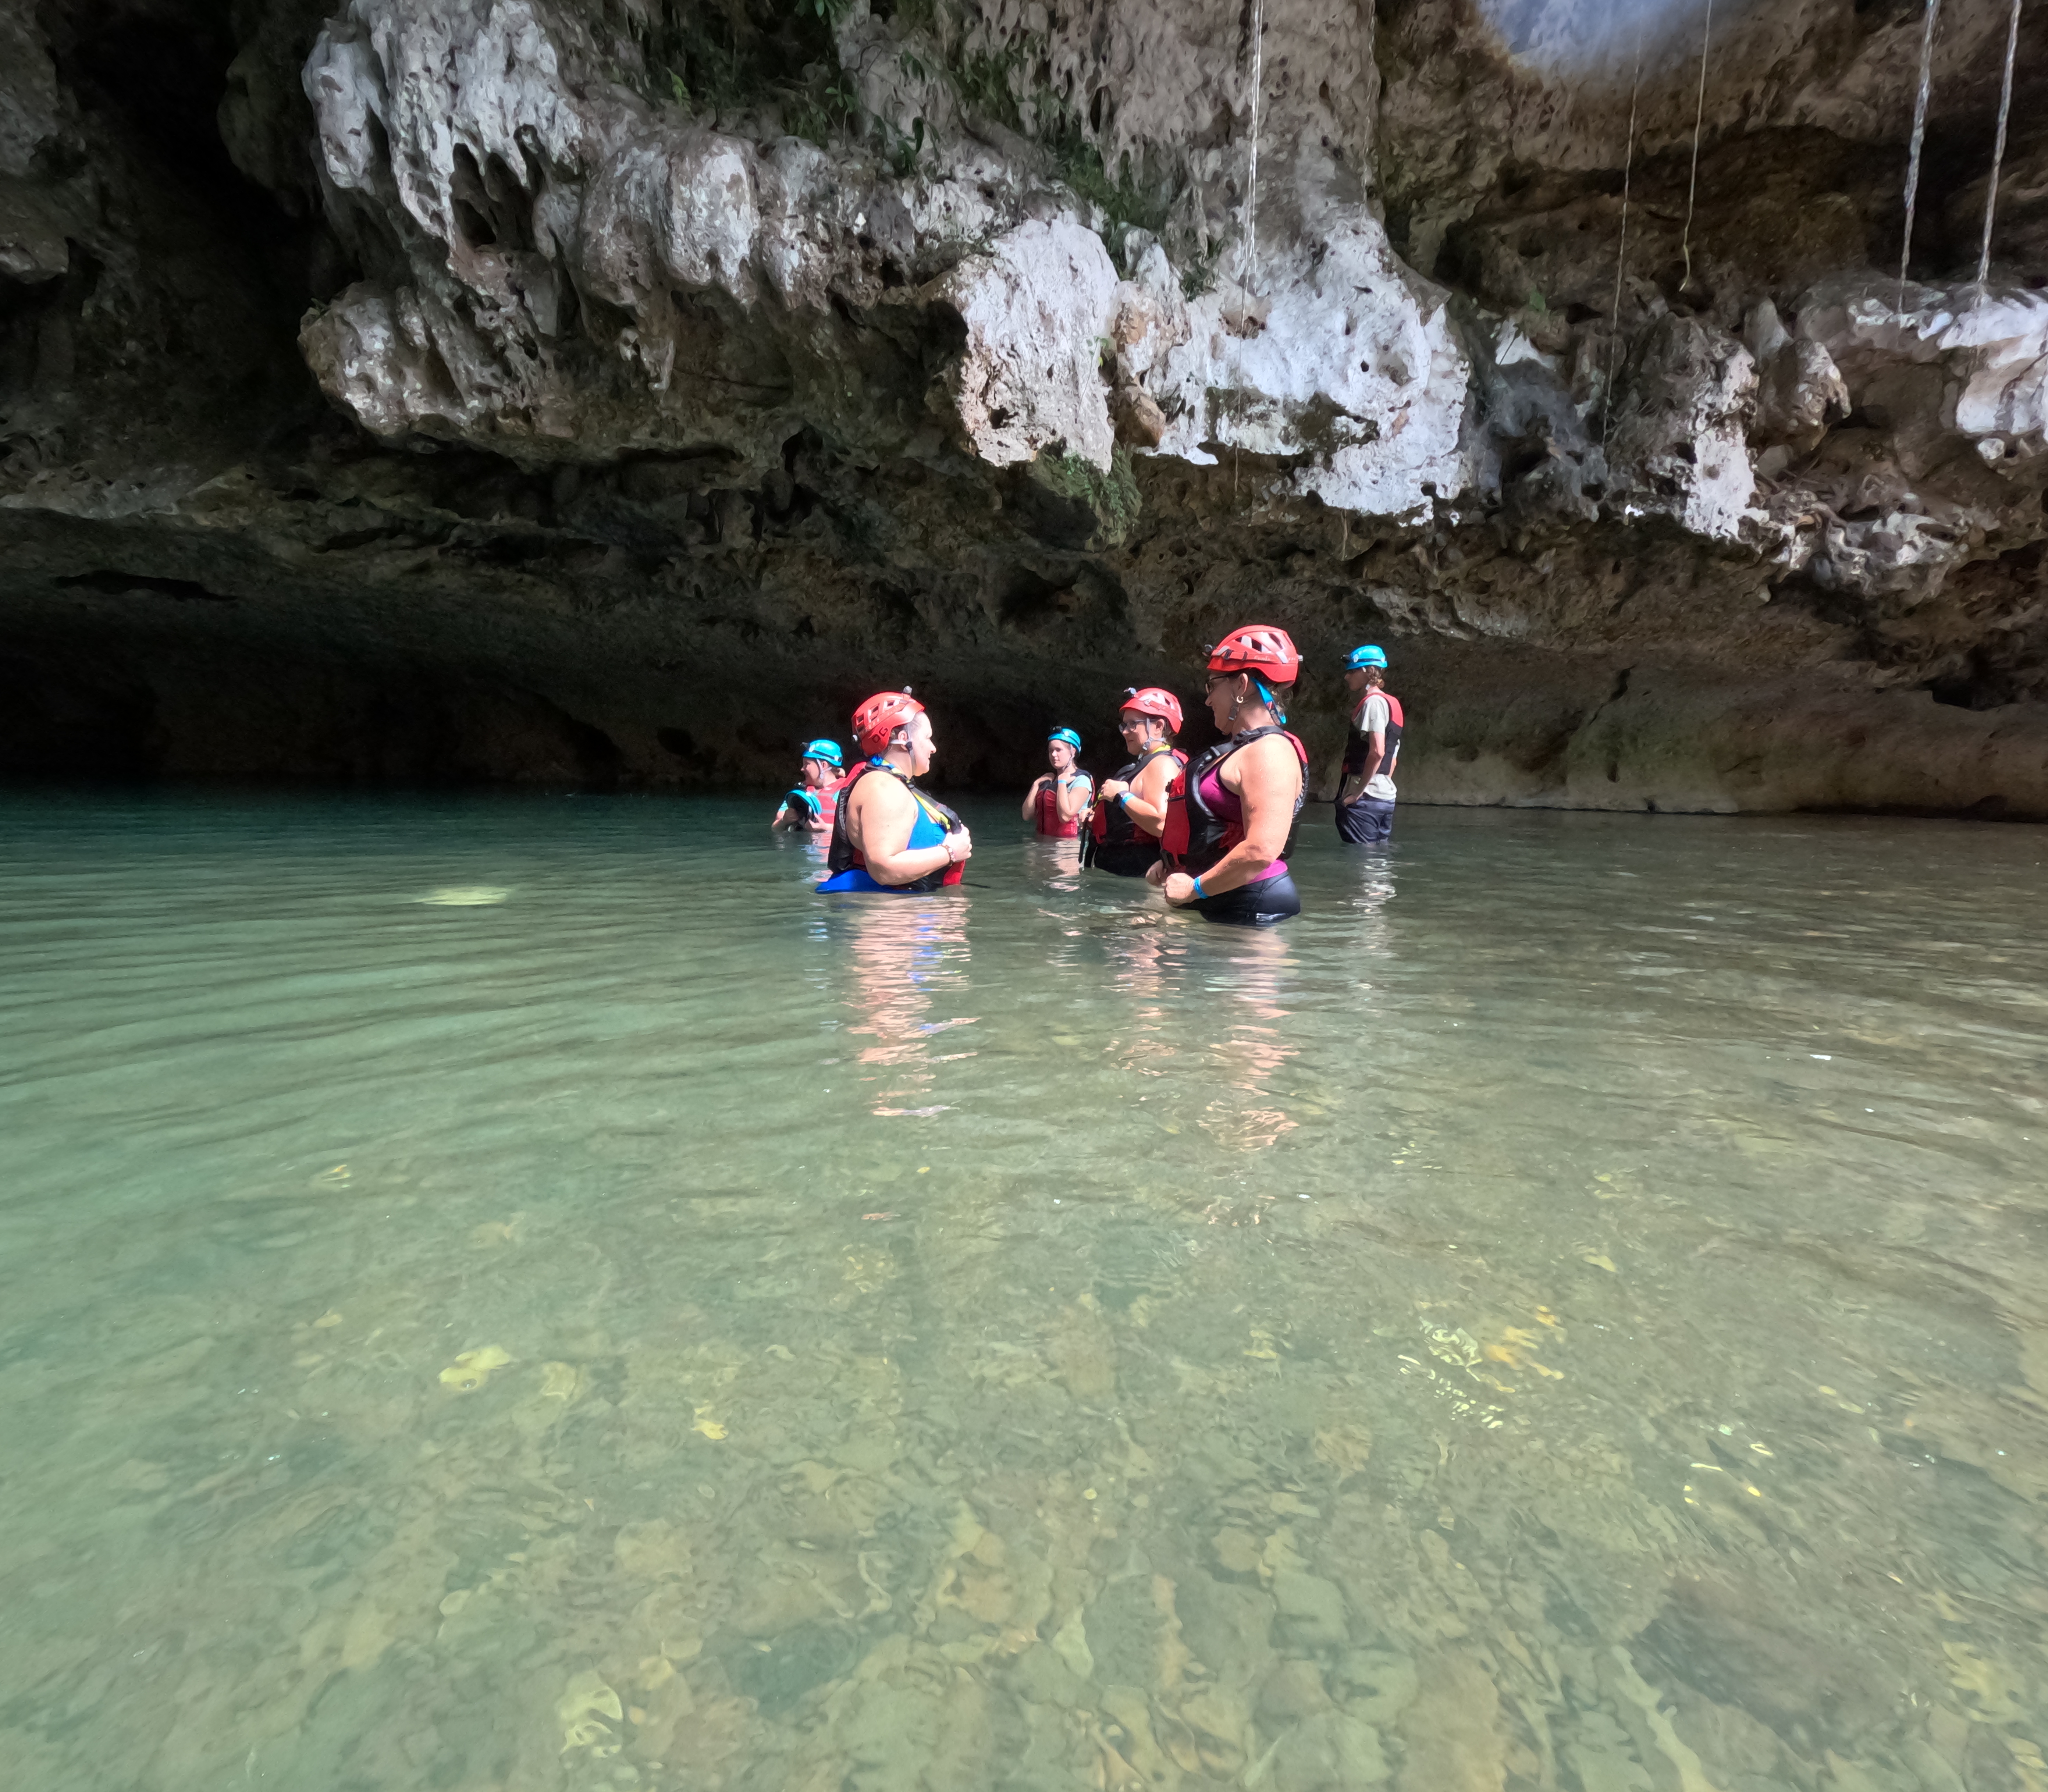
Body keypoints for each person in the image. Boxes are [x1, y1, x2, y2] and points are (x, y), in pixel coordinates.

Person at [1155, 625, 1308, 925]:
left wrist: (1193, 888)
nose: (1208, 700)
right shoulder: (1240, 750)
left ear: (1241, 685)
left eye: (1212, 686)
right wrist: (1174, 864)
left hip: (1250, 905)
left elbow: (1261, 850)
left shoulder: (1270, 751)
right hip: (1221, 902)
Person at [819, 691, 973, 893]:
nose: (933, 748)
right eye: (927, 738)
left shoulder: (886, 782)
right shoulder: (885, 789)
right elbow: (883, 869)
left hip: (902, 916)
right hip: (890, 920)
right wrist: (950, 852)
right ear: (903, 739)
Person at [1081, 688, 1186, 878]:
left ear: (1159, 726)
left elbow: (1161, 823)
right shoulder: (1146, 764)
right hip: (1120, 877)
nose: (1125, 732)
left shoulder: (1161, 765)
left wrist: (1121, 796)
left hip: (1138, 880)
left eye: (1133, 724)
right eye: (1124, 725)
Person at [1334, 645, 1402, 845]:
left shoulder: (1373, 703)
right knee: (1377, 862)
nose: (1347, 677)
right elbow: (1393, 758)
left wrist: (1358, 792)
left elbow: (1378, 752)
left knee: (1360, 864)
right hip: (1385, 798)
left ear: (1366, 671)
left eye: (1352, 671)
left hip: (1365, 799)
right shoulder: (1393, 703)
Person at [1022, 728, 1094, 838]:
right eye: (1051, 751)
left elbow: (1065, 817)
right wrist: (1035, 785)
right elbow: (1026, 816)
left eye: (1059, 750)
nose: (1054, 755)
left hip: (1068, 847)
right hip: (1043, 844)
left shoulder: (1082, 780)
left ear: (1073, 752)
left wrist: (1062, 782)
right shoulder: (1048, 780)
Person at [771, 739, 846, 833]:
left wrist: (826, 828)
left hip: (829, 847)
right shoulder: (800, 795)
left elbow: (858, 828)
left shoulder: (845, 792)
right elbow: (775, 828)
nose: (802, 769)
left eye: (807, 764)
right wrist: (784, 821)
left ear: (823, 766)